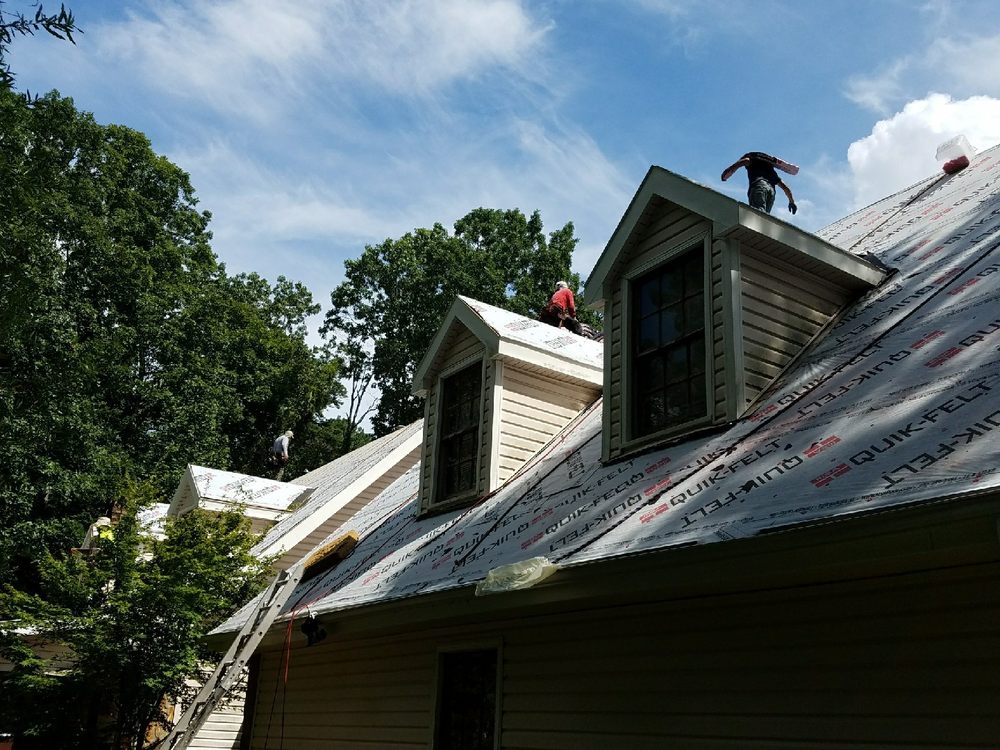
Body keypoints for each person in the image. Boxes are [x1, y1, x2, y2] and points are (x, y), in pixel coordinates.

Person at [721, 151, 797, 215]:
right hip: (771, 191)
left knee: (758, 215)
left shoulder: (751, 160)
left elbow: (738, 164)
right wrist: (792, 202)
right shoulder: (771, 172)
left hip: (759, 186)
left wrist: (725, 175)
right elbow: (785, 188)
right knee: (765, 217)